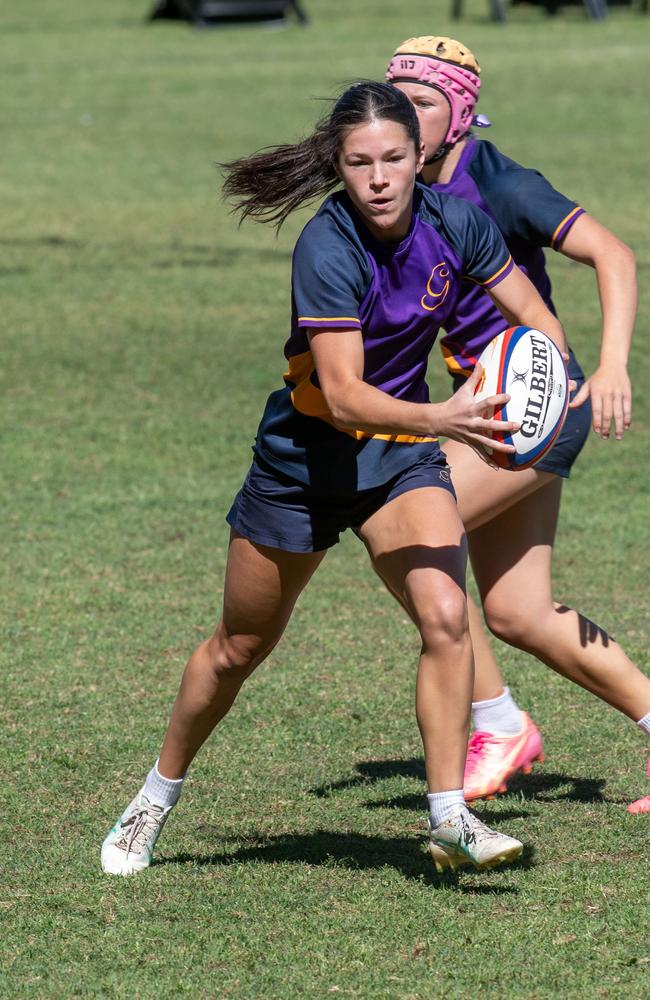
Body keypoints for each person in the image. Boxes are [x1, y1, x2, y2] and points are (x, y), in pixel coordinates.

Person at [100, 81, 580, 878]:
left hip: (399, 458)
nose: (381, 177)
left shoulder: (455, 220)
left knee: (446, 615)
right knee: (238, 648)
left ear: (420, 154)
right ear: (340, 165)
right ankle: (155, 795)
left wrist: (550, 372)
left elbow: (532, 309)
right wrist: (452, 420)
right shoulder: (328, 247)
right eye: (360, 163)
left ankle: (450, 817)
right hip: (305, 463)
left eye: (395, 157)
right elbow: (348, 394)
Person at [385, 36, 650, 813]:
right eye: (395, 99)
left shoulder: (499, 185)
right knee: (518, 612)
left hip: (536, 400)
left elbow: (614, 255)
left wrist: (610, 366)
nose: (404, 116)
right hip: (483, 401)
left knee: (404, 530)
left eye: (423, 103)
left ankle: (496, 720)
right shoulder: (398, 184)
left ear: (460, 117)